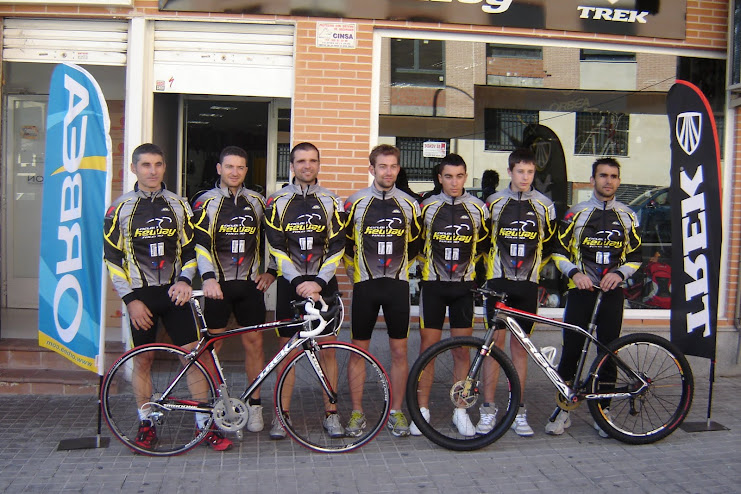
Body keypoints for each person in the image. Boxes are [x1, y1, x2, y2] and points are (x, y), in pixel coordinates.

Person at [104, 143, 232, 451]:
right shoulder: (119, 208)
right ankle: (146, 422)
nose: (152, 171)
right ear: (133, 168)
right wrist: (130, 300)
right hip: (140, 296)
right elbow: (112, 259)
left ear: (164, 167)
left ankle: (204, 423)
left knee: (194, 356)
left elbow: (190, 251)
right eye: (145, 165)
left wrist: (186, 280)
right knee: (143, 359)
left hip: (175, 292)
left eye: (158, 164)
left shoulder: (179, 204)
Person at [546, 157, 641, 437]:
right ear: (592, 180)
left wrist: (620, 274)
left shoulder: (628, 215)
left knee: (608, 353)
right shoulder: (575, 213)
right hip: (581, 292)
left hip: (611, 294)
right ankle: (563, 409)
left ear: (618, 181)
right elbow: (558, 252)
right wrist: (575, 274)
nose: (608, 181)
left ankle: (604, 411)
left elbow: (636, 256)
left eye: (613, 176)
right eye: (603, 175)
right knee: (571, 352)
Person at [264, 142, 347, 439]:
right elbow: (276, 246)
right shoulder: (276, 201)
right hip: (291, 284)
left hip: (324, 284)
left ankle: (332, 414)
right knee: (286, 352)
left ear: (318, 164)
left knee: (328, 350)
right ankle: (281, 415)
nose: (307, 166)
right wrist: (299, 282)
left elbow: (337, 246)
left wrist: (319, 283)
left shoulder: (332, 200)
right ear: (292, 166)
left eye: (312, 160)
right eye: (301, 161)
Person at [192, 146, 276, 434]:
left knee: (254, 345)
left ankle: (255, 405)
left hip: (249, 285)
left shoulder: (257, 201)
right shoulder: (204, 201)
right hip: (217, 286)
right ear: (219, 169)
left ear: (246, 171)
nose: (235, 172)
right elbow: (200, 243)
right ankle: (214, 406)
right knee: (211, 348)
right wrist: (207, 278)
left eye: (240, 167)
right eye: (229, 166)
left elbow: (275, 238)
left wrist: (272, 271)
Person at [343, 144, 422, 437]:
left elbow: (415, 245)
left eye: (393, 166)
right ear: (372, 168)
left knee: (399, 351)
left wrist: (400, 270)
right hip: (365, 286)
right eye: (382, 166)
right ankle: (357, 413)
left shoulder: (410, 204)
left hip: (397, 286)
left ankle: (396, 411)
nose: (388, 172)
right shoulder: (354, 202)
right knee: (357, 351)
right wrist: (354, 272)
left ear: (398, 169)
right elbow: (345, 244)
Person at [410, 153, 490, 437]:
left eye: (459, 176)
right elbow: (415, 244)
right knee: (428, 350)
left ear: (465, 177)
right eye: (448, 177)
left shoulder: (479, 208)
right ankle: (422, 410)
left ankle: (460, 410)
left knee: (461, 350)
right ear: (439, 178)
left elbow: (485, 247)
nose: (454, 182)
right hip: (433, 286)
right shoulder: (426, 207)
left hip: (463, 288)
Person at [484, 148, 556, 437]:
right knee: (493, 347)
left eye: (530, 172)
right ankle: (488, 410)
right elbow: (482, 241)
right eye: (520, 171)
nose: (525, 177)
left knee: (521, 349)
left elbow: (549, 245)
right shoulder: (493, 202)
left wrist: (533, 270)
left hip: (526, 284)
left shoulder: (545, 205)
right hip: (498, 283)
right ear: (510, 172)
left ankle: (519, 411)